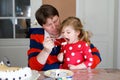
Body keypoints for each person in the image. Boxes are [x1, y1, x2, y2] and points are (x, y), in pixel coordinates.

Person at [27, 4, 101, 71]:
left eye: (56, 21)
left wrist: (81, 66)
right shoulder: (36, 35)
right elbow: (33, 67)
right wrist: (46, 51)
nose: (54, 26)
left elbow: (96, 54)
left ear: (59, 17)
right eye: (49, 25)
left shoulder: (70, 31)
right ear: (43, 26)